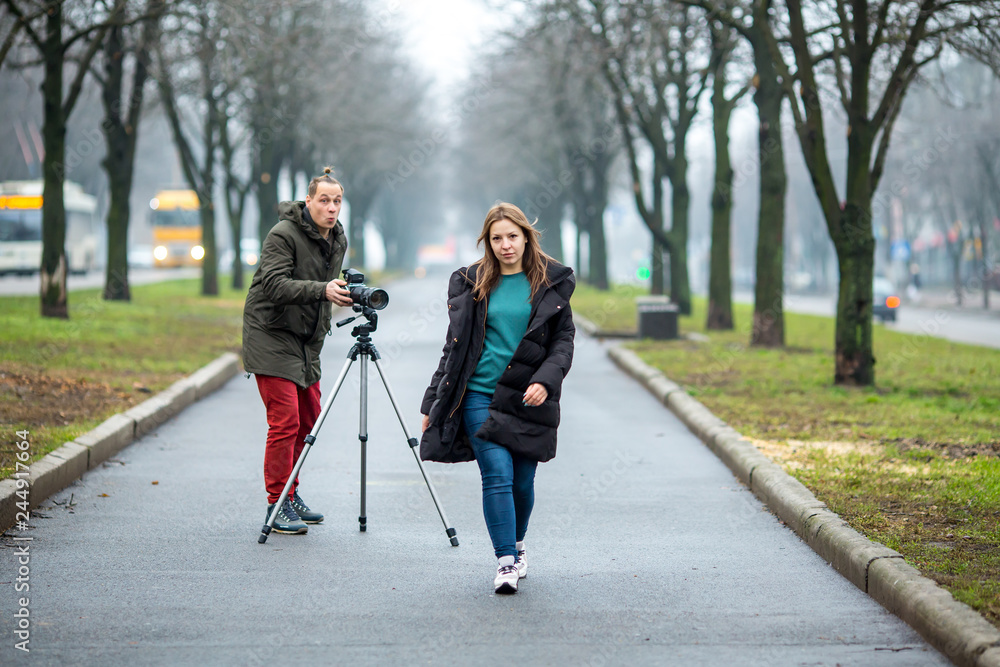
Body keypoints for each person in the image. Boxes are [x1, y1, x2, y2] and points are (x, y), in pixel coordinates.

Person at [420, 202, 576, 594]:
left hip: (529, 397)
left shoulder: (549, 284)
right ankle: (505, 561)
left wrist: (546, 381)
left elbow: (563, 342)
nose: (505, 245)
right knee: (497, 476)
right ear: (487, 243)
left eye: (512, 236)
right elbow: (453, 349)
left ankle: (519, 545)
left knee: (523, 481)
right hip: (478, 396)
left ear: (526, 236)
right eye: (497, 238)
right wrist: (432, 403)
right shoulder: (474, 283)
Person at [242, 167, 352, 535]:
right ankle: (276, 504)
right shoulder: (283, 234)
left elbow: (326, 287)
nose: (331, 208)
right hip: (271, 333)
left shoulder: (337, 238)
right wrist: (322, 290)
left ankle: (292, 493)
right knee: (286, 421)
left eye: (337, 201)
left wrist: (338, 293)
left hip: (306, 341)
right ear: (308, 201)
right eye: (324, 200)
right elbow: (274, 285)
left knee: (309, 420)